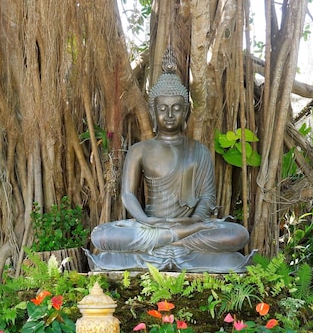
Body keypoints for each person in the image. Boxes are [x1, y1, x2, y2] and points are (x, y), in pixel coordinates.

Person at [85, 49, 254, 273]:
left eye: (176, 108)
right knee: (102, 235)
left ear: (185, 112)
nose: (170, 114)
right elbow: (127, 195)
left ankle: (168, 240)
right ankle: (174, 240)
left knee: (237, 235)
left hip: (189, 227)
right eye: (163, 109)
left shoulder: (198, 151)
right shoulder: (139, 150)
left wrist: (192, 222)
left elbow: (207, 197)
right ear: (154, 112)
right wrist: (146, 220)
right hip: (149, 226)